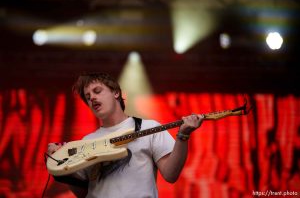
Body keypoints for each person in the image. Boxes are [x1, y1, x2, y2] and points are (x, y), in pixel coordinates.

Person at [47, 72, 204, 198]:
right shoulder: (87, 141)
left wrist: (183, 136)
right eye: (88, 97)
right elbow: (83, 193)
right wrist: (61, 167)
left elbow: (171, 174)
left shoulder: (149, 127)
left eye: (97, 91)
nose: (92, 98)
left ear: (116, 92)